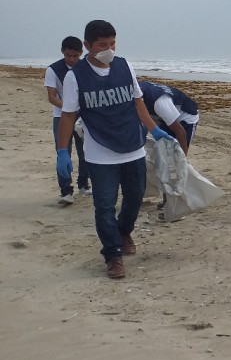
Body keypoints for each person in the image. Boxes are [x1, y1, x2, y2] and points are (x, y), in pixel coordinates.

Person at [56, 20, 175, 279]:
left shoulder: (124, 66)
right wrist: (62, 151)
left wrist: (154, 129)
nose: (108, 49)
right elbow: (67, 116)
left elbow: (138, 101)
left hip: (133, 146)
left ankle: (123, 231)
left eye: (112, 43)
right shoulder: (75, 77)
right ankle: (112, 254)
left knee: (134, 198)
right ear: (87, 46)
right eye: (102, 45)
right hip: (100, 151)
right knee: (105, 205)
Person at [45, 35, 91, 203]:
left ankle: (83, 185)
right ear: (62, 52)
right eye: (68, 56)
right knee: (63, 153)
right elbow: (51, 96)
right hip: (61, 116)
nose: (71, 59)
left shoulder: (86, 68)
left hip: (83, 117)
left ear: (81, 53)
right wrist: (67, 108)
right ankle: (66, 191)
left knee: (85, 151)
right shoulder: (53, 70)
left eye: (75, 56)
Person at [139, 81, 200, 154]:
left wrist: (182, 158)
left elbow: (180, 131)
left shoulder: (160, 103)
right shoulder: (136, 91)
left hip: (186, 117)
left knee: (178, 151)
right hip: (161, 116)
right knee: (164, 149)